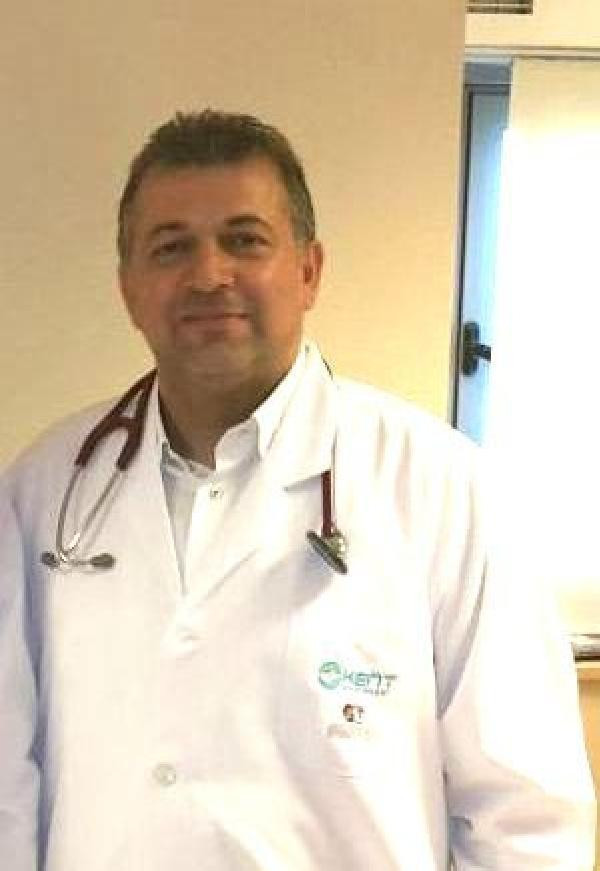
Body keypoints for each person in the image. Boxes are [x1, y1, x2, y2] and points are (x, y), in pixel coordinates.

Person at [0, 110, 595, 870]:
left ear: (309, 270)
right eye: (171, 247)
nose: (208, 275)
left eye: (244, 240)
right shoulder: (45, 491)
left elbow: (526, 818)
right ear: (129, 289)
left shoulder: (442, 490)